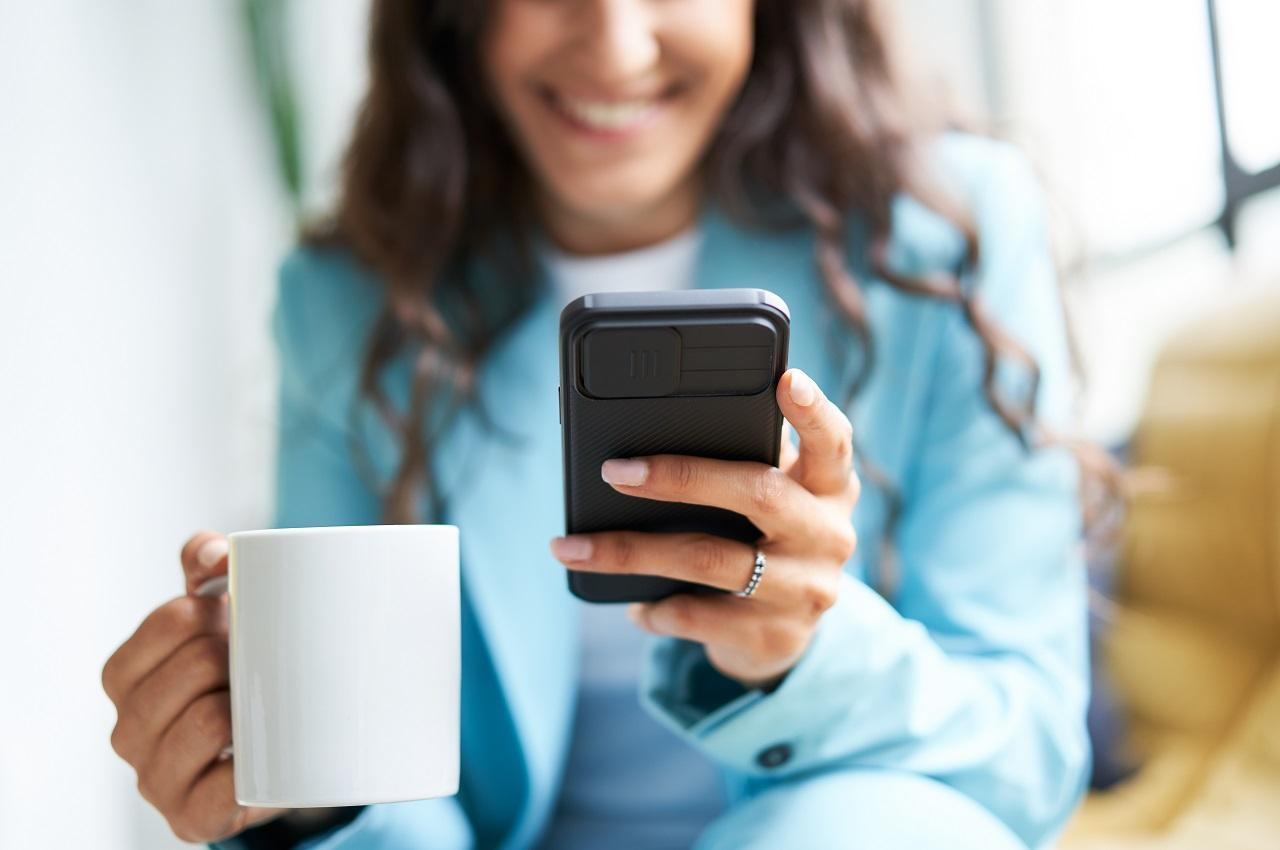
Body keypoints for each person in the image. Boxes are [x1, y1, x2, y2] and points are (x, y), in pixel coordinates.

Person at [101, 0, 1090, 847]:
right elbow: (401, 806)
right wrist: (312, 792)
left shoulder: (950, 232)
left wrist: (810, 656)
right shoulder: (348, 305)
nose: (614, 49)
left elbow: (1030, 759)